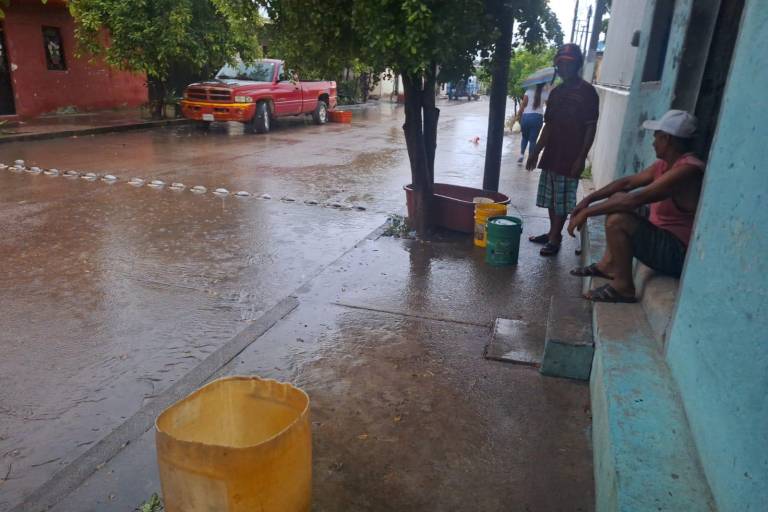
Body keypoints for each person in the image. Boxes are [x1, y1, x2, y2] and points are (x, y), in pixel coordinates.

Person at [567, 109, 705, 303]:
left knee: (618, 220)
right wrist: (588, 200)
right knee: (617, 198)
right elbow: (626, 184)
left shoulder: (687, 170)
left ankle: (623, 287)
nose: (653, 142)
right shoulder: (666, 165)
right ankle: (608, 265)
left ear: (667, 139)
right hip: (663, 236)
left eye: (656, 137)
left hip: (678, 253)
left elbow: (634, 200)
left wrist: (588, 212)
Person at [526, 44, 599, 256]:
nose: (564, 68)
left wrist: (581, 157)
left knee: (562, 200)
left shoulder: (587, 92)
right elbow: (548, 125)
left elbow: (590, 126)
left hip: (570, 156)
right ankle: (552, 234)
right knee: (551, 198)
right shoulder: (556, 92)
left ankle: (555, 238)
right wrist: (536, 150)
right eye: (561, 64)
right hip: (552, 154)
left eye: (569, 63)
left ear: (577, 65)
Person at [516, 82, 548, 164]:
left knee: (524, 137)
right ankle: (530, 159)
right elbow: (549, 105)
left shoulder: (529, 91)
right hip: (537, 118)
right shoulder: (545, 93)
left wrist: (518, 116)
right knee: (533, 140)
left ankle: (521, 155)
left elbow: (523, 104)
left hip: (526, 117)